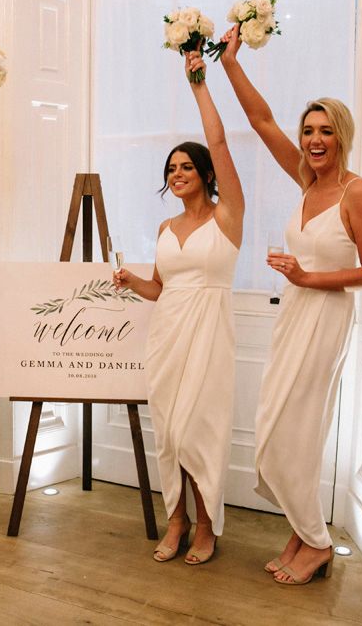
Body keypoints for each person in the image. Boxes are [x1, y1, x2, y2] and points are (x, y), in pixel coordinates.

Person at [216, 24, 362, 585]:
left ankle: (316, 543)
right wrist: (230, 62)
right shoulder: (305, 181)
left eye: (326, 132)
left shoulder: (357, 191)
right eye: (309, 131)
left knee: (298, 430)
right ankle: (300, 531)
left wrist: (308, 276)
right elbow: (261, 120)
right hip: (294, 314)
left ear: (343, 137)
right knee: (278, 423)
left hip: (325, 316)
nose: (315, 140)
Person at [113, 50, 245, 565]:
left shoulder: (228, 215)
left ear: (207, 173)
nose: (177, 173)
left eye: (187, 166)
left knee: (199, 430)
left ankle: (207, 522)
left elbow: (220, 141)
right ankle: (178, 518)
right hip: (167, 335)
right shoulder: (165, 228)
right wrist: (132, 282)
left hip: (209, 334)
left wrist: (198, 85)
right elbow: (160, 289)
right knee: (169, 432)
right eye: (171, 168)